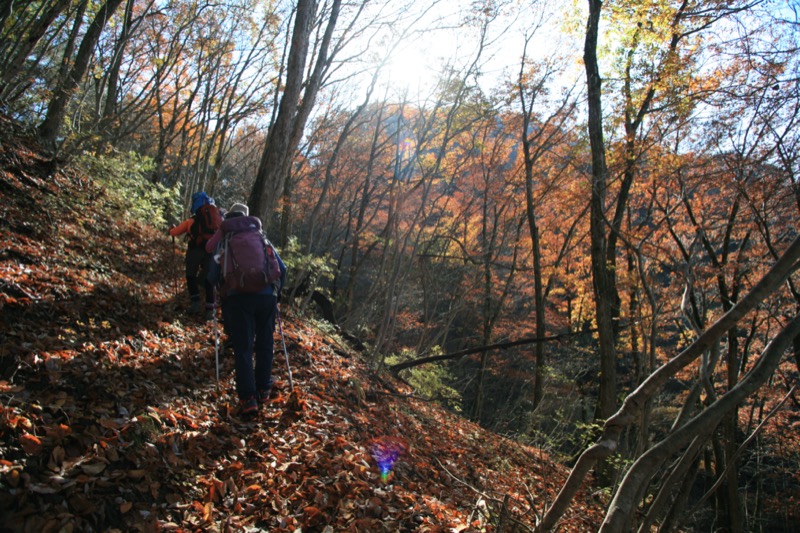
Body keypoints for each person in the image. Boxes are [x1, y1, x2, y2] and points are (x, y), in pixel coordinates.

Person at [206, 203, 287, 416]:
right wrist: (276, 293)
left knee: (243, 347)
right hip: (266, 295)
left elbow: (212, 275)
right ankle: (263, 389)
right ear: (246, 217)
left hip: (238, 298)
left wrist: (218, 292)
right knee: (265, 344)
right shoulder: (260, 235)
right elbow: (282, 268)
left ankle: (248, 398)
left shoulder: (224, 238)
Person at [169, 191, 221, 320]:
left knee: (190, 275)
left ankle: (195, 303)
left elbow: (174, 233)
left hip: (195, 250)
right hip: (211, 251)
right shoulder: (218, 220)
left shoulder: (191, 221)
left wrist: (171, 229)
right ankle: (210, 310)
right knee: (210, 279)